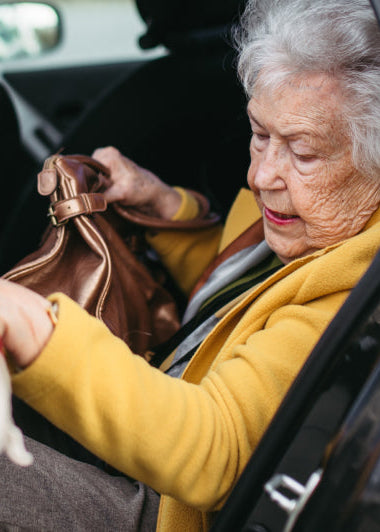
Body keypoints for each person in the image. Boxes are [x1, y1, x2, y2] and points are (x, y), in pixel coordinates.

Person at [1, 0, 380, 529]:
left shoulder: (359, 289)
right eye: (260, 133)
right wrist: (164, 210)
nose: (260, 174)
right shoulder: (301, 209)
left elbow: (215, 449)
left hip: (164, 507)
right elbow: (245, 296)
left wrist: (30, 323)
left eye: (304, 152)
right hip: (150, 417)